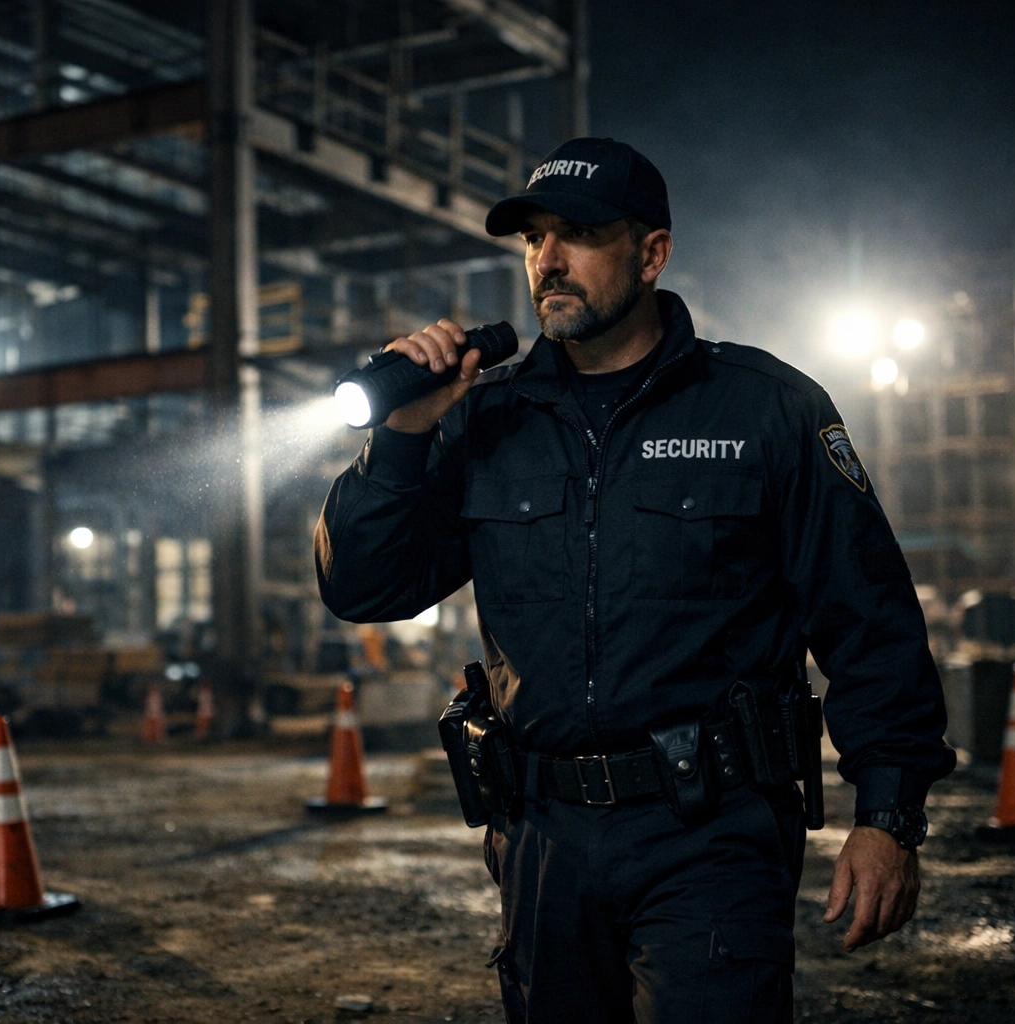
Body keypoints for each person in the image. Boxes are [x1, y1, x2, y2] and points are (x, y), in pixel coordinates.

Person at [313, 137, 954, 1023]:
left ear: (651, 253)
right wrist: (403, 438)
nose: (548, 260)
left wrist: (888, 817)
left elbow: (870, 620)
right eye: (534, 238)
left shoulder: (764, 407)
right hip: (540, 840)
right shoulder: (486, 421)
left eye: (578, 233)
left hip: (711, 833)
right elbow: (362, 589)